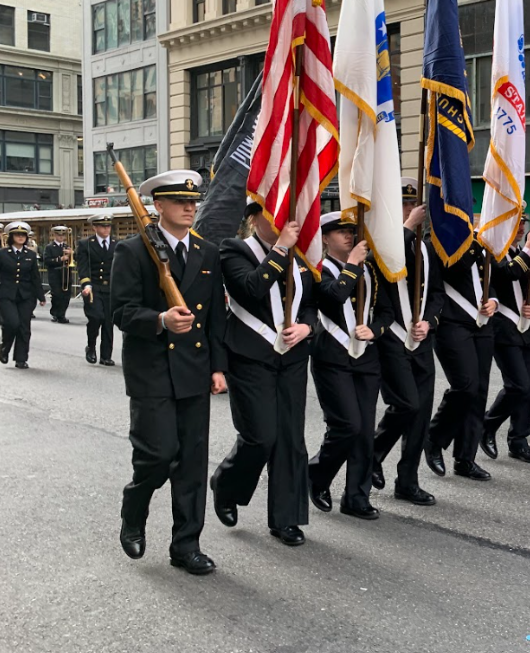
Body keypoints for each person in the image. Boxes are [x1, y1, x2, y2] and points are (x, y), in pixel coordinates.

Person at [111, 170, 228, 575]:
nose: (190, 207)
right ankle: (134, 509)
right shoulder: (132, 251)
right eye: (181, 201)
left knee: (193, 464)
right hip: (152, 371)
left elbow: (215, 318)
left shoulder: (208, 252)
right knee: (158, 456)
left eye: (194, 201)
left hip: (193, 370)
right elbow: (121, 311)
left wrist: (218, 367)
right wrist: (160, 319)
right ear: (158, 206)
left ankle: (186, 546)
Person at [211, 202, 317, 547]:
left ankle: (286, 520)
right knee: (260, 436)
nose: (282, 221)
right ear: (254, 218)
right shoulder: (235, 249)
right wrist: (281, 248)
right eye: (272, 214)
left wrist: (307, 327)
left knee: (289, 439)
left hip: (292, 357)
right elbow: (251, 288)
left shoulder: (300, 256)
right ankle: (226, 484)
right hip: (250, 356)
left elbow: (312, 303)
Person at [308, 212, 400, 522]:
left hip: (366, 357)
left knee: (364, 431)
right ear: (324, 238)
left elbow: (387, 311)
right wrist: (354, 265)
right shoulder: (317, 269)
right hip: (332, 356)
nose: (348, 236)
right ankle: (315, 477)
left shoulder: (370, 271)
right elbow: (335, 296)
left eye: (351, 230)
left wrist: (375, 329)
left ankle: (356, 497)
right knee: (346, 425)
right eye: (339, 232)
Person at [372, 178, 443, 506]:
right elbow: (387, 269)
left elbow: (437, 293)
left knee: (421, 414)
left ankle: (408, 480)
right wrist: (406, 227)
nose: (411, 210)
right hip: (393, 340)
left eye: (413, 204)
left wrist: (430, 321)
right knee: (407, 404)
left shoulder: (427, 248)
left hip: (421, 340)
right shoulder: (381, 243)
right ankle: (374, 452)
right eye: (403, 204)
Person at [425, 238, 498, 481]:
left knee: (479, 392)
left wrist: (493, 300)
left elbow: (486, 277)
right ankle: (434, 438)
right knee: (466, 386)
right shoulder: (438, 242)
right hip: (452, 322)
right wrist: (478, 241)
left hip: (482, 323)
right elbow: (454, 267)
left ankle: (466, 458)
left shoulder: (478, 243)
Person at [481, 216, 530, 463]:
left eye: (523, 224)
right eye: (516, 223)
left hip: (526, 329)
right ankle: (488, 424)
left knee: (528, 390)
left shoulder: (525, 254)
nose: (521, 229)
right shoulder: (494, 253)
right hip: (504, 329)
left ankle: (519, 440)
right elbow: (507, 274)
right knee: (518, 385)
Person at [0, 222, 45, 368]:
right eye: (17, 235)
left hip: (26, 296)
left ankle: (21, 358)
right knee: (12, 323)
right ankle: (4, 347)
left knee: (24, 327)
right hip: (6, 294)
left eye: (23, 235)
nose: (20, 237)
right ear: (11, 237)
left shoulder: (30, 255)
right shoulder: (2, 254)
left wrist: (41, 296)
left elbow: (35, 277)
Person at [76, 213, 116, 366]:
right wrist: (85, 284)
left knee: (108, 322)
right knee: (96, 317)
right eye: (102, 226)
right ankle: (91, 346)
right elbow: (83, 266)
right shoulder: (85, 244)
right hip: (92, 288)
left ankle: (106, 355)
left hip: (111, 288)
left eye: (108, 226)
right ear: (95, 227)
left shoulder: (116, 244)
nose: (106, 229)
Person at [42, 225, 72, 324]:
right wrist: (60, 259)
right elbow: (46, 260)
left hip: (66, 273)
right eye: (59, 235)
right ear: (55, 235)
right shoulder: (49, 247)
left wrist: (72, 254)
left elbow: (74, 261)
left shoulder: (67, 246)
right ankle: (56, 313)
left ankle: (62, 314)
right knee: (57, 295)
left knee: (66, 295)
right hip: (55, 273)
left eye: (63, 235)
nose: (61, 237)